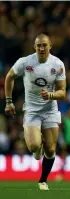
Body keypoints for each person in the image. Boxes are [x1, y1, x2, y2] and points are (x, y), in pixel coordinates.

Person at [4, 34, 66, 190]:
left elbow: (62, 91)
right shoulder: (25, 62)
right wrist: (9, 102)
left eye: (44, 45)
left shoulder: (58, 64)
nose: (42, 48)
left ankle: (42, 180)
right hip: (32, 110)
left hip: (50, 110)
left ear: (50, 46)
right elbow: (9, 77)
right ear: (34, 47)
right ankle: (37, 146)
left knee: (51, 149)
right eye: (39, 45)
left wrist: (51, 95)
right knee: (33, 147)